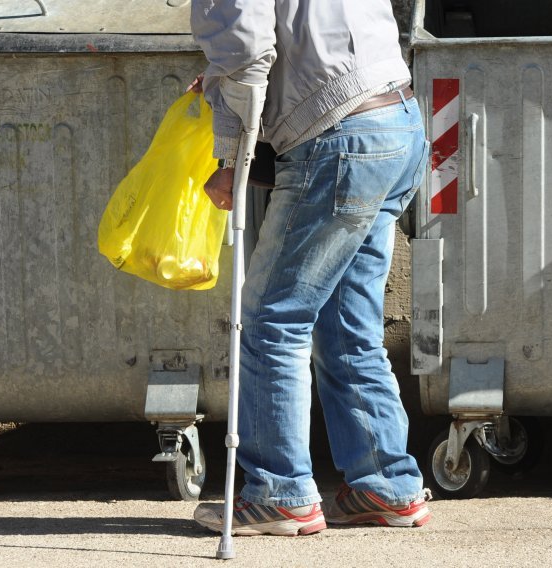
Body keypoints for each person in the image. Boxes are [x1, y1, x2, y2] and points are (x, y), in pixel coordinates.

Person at [190, 0, 432, 536]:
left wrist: (231, 157)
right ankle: (386, 486)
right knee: (347, 326)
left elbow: (245, 50)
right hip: (395, 120)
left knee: (272, 320)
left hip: (336, 137)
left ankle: (280, 494)